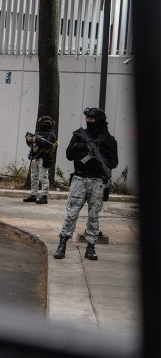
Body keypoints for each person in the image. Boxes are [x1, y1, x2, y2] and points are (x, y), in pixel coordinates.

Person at [53, 107, 118, 261]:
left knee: (94, 215)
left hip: (97, 181)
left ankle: (91, 246)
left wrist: (100, 158)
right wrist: (78, 147)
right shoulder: (78, 135)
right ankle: (62, 244)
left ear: (100, 121)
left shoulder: (109, 139)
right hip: (79, 179)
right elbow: (69, 155)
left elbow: (114, 162)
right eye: (87, 118)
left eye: (92, 119)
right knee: (72, 212)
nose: (89, 121)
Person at [23, 116, 57, 204]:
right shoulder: (39, 133)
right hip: (35, 157)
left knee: (43, 177)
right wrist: (29, 140)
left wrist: (36, 140)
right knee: (34, 177)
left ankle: (44, 196)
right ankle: (33, 195)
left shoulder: (52, 134)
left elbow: (47, 145)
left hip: (44, 158)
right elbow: (34, 146)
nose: (42, 125)